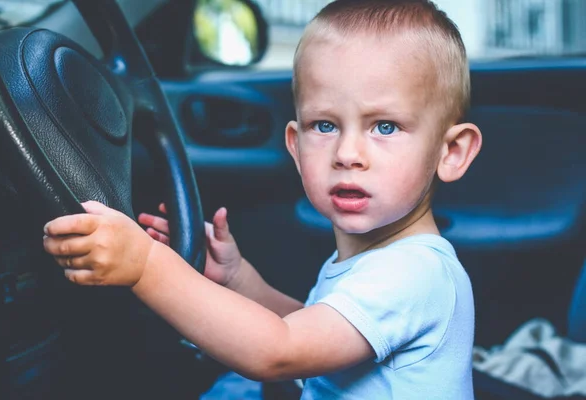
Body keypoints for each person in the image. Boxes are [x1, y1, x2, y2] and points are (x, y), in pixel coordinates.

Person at [42, 0, 482, 398]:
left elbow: (279, 353)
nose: (348, 154)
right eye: (324, 126)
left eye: (384, 127)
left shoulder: (413, 274)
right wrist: (238, 281)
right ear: (295, 144)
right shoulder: (382, 262)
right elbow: (310, 332)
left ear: (451, 152)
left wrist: (146, 265)